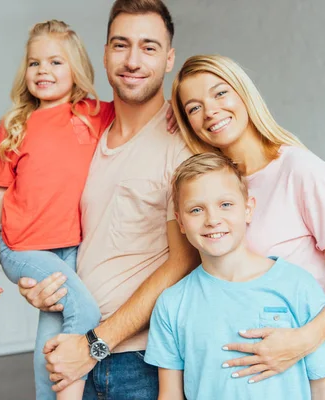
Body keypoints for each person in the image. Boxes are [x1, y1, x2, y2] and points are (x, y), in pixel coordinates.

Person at [17, 1, 200, 398]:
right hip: (75, 352)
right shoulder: (82, 134)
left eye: (149, 48)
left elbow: (185, 259)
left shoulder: (183, 144)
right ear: (104, 54)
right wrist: (37, 281)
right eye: (121, 45)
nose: (133, 60)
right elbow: (57, 230)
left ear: (169, 59)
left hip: (140, 362)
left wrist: (96, 343)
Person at [170, 54, 325, 399]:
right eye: (194, 108)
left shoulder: (302, 171)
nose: (210, 112)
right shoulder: (211, 190)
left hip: (308, 378)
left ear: (243, 93)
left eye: (220, 93)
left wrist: (302, 342)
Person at [0, 20, 116, 400]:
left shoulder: (93, 113)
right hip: (22, 249)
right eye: (35, 63)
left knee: (49, 338)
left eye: (56, 62)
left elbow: (145, 112)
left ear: (76, 69)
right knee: (86, 314)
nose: (43, 71)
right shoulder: (14, 125)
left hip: (70, 249)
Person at [145, 152, 325, 400]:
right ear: (180, 223)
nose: (212, 220)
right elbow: (170, 395)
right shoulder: (172, 304)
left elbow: (324, 389)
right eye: (196, 210)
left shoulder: (298, 287)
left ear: (248, 210)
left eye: (225, 205)